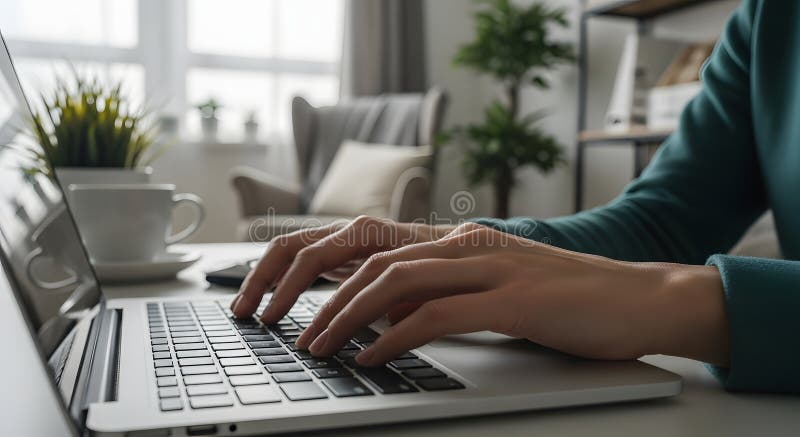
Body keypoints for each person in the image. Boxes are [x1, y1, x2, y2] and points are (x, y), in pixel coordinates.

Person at [232, 0, 799, 394]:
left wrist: (682, 302)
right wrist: (479, 247)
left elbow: (658, 263)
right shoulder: (770, 17)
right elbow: (662, 221)